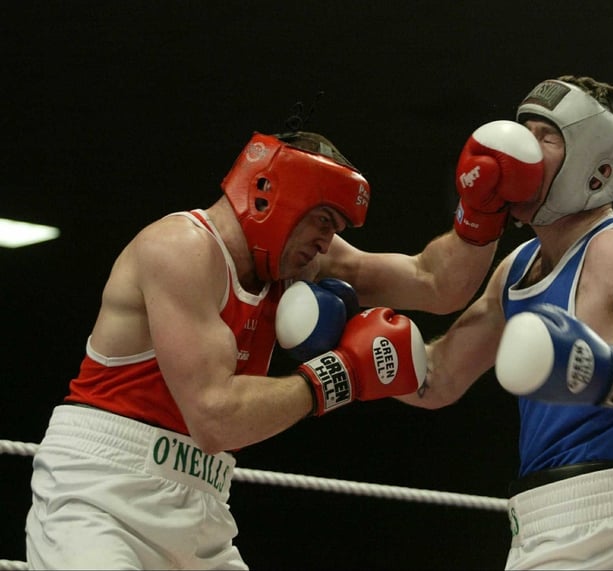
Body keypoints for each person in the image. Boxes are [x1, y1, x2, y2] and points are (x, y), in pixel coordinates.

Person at [25, 122, 544, 569]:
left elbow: (435, 284)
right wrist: (339, 375)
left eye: (336, 228)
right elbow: (215, 418)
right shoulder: (179, 249)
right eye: (323, 220)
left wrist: (482, 209)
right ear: (269, 192)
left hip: (202, 498)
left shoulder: (298, 257)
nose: (326, 242)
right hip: (103, 490)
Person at [399, 75, 613, 570]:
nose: (519, 149)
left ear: (595, 163)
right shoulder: (515, 268)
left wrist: (601, 371)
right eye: (522, 129)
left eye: (544, 136)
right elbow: (437, 379)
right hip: (538, 521)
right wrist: (345, 347)